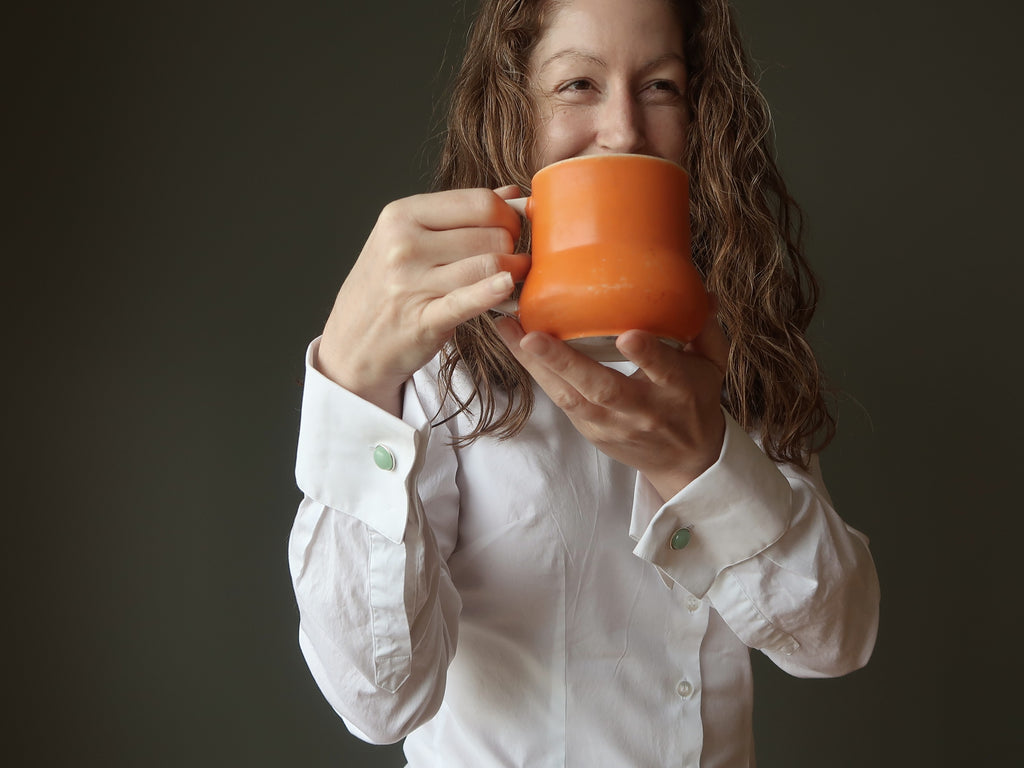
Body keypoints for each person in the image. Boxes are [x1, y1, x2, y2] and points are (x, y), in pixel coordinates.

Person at [288, 0, 880, 765]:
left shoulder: (731, 341)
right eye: (577, 84)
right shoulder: (437, 356)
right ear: (516, 112)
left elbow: (836, 638)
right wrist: (355, 385)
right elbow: (379, 700)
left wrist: (700, 463)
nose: (625, 130)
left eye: (661, 87)